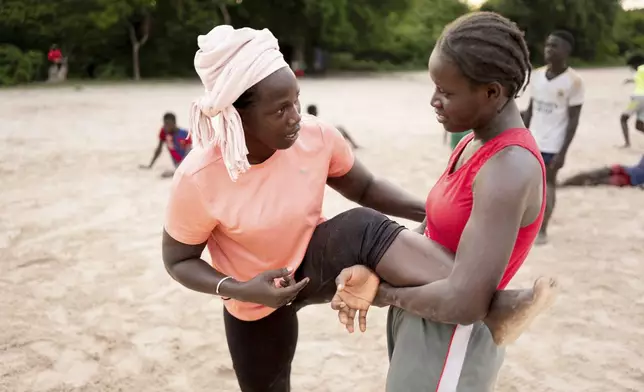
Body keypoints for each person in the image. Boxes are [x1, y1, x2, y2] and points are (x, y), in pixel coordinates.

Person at [162, 24, 554, 392]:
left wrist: (433, 214)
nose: (297, 117)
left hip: (313, 261)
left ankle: (484, 302)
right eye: (280, 110)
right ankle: (488, 301)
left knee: (360, 227)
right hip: (254, 294)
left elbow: (366, 187)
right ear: (237, 116)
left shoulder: (314, 137)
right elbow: (178, 260)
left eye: (296, 101)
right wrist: (238, 289)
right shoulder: (200, 177)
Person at [330, 12, 557, 391]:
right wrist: (377, 274)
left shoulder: (509, 166)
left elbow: (466, 302)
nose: (434, 101)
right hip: (424, 315)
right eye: (435, 87)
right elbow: (433, 231)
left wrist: (383, 294)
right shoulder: (474, 142)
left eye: (447, 92)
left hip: (452, 336)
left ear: (492, 92)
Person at [522, 30, 584, 245]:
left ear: (566, 50)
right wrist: (521, 136)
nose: (549, 49)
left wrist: (563, 151)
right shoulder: (537, 76)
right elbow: (531, 110)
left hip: (553, 145)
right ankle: (525, 227)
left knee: (548, 185)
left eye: (554, 45)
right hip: (532, 140)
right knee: (527, 185)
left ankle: (543, 230)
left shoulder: (574, 82)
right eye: (548, 45)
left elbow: (573, 120)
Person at [140, 112, 192, 178]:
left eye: (168, 124)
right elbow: (159, 149)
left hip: (187, 163)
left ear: (174, 123)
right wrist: (150, 165)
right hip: (177, 165)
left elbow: (189, 151)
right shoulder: (164, 132)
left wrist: (182, 167)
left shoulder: (184, 134)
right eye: (165, 124)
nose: (166, 127)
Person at [559, 155, 644, 188]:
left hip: (627, 175)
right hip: (627, 176)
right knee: (593, 178)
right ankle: (565, 183)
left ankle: (565, 183)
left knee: (592, 177)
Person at [620, 54, 644, 148]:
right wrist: (630, 80)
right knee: (639, 125)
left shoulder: (639, 70)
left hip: (637, 99)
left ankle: (627, 143)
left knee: (623, 118)